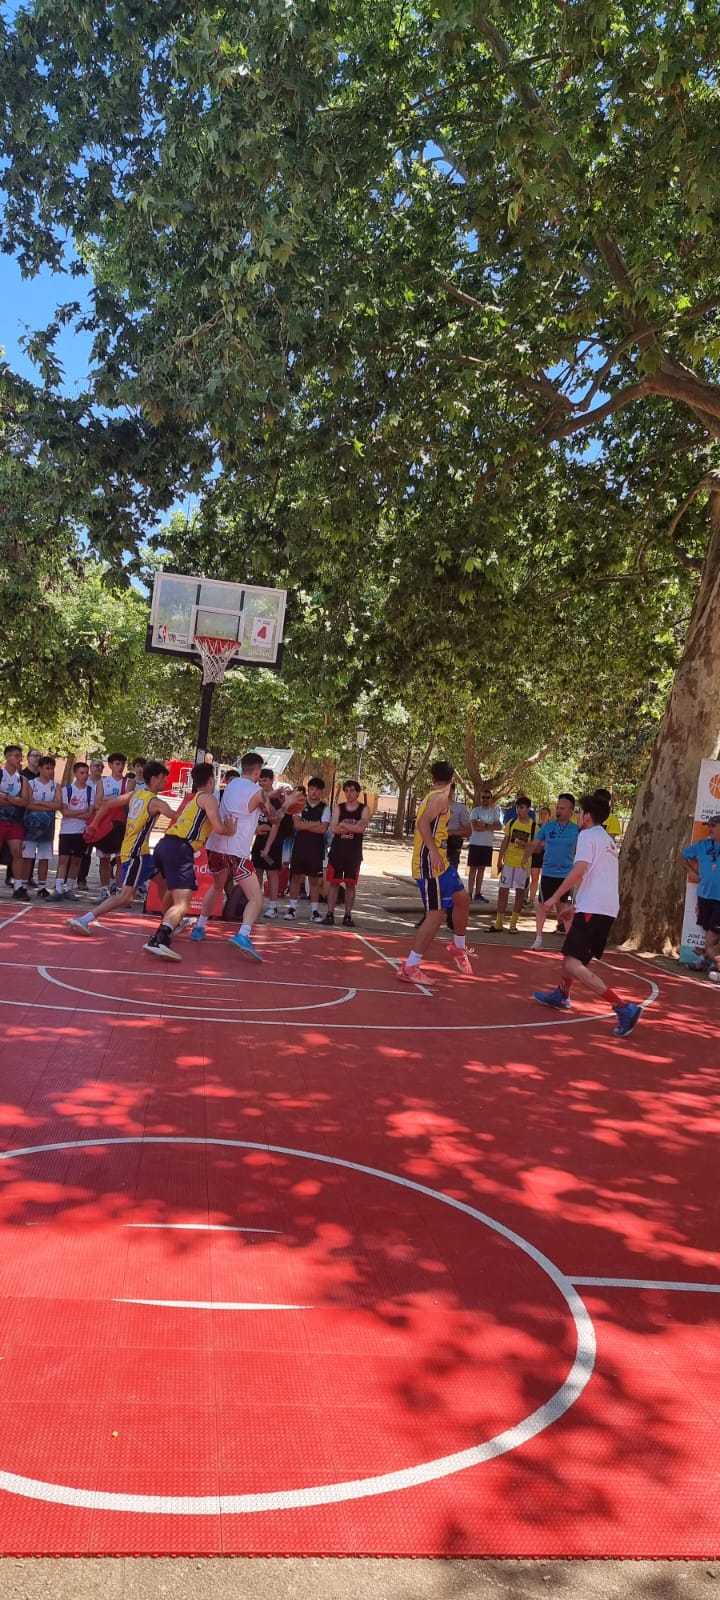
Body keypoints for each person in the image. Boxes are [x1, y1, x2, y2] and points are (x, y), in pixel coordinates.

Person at [533, 791, 641, 1038]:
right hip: (603, 908)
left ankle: (622, 1007)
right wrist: (577, 906)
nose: (578, 816)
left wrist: (553, 898)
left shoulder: (587, 836)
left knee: (573, 962)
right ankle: (562, 993)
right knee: (570, 954)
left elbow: (578, 872)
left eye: (580, 812)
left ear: (588, 816)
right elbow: (598, 877)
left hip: (595, 908)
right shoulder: (606, 840)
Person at [189, 752, 298, 961]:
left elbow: (248, 799)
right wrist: (288, 803)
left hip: (216, 847)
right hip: (236, 851)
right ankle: (243, 934)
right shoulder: (258, 792)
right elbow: (275, 818)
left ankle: (200, 927)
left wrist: (272, 794)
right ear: (258, 771)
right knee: (256, 898)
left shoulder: (231, 784)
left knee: (217, 887)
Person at [66, 762, 173, 936]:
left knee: (165, 884)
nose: (165, 782)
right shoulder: (156, 802)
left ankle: (170, 921)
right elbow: (177, 816)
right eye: (163, 778)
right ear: (154, 779)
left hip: (142, 853)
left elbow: (108, 804)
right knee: (126, 897)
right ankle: (84, 919)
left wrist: (95, 823)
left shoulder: (135, 794)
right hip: (136, 854)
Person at [143, 762, 233, 961]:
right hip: (180, 849)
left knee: (171, 891)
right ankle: (160, 938)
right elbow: (219, 828)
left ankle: (166, 924)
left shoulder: (193, 800)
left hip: (164, 845)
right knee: (183, 904)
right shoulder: (208, 798)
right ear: (212, 780)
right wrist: (231, 830)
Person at [397, 760, 472, 985]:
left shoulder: (434, 797)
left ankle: (458, 947)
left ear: (432, 779)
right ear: (453, 780)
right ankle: (410, 966)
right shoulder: (440, 798)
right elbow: (421, 823)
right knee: (436, 915)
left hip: (441, 863)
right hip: (430, 864)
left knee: (463, 900)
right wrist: (433, 851)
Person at [522, 793, 579, 947]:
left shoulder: (577, 830)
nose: (559, 810)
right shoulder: (548, 827)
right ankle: (538, 939)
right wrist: (526, 856)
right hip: (548, 873)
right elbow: (535, 843)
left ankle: (571, 943)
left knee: (566, 908)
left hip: (567, 876)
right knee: (543, 906)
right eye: (558, 807)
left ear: (571, 811)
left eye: (563, 808)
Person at [680, 814, 720, 983]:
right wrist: (690, 870)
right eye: (708, 825)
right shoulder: (702, 845)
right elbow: (682, 856)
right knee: (708, 930)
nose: (709, 829)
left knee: (712, 935)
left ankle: (708, 960)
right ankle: (708, 961)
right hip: (704, 895)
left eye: (713, 826)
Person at [285, 778, 331, 923]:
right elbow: (297, 826)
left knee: (314, 881)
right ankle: (292, 909)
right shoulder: (300, 805)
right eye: (311, 789)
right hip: (300, 847)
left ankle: (314, 911)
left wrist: (305, 824)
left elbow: (323, 829)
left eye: (316, 789)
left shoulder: (325, 808)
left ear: (321, 792)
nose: (313, 792)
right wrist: (315, 824)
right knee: (295, 878)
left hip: (316, 849)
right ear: (308, 789)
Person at [325, 780, 369, 927]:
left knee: (350, 884)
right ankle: (330, 913)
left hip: (354, 854)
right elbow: (334, 828)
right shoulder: (339, 808)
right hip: (337, 852)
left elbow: (361, 829)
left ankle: (348, 915)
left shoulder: (364, 809)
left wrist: (343, 824)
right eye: (346, 791)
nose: (349, 794)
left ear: (358, 793)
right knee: (333, 883)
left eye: (352, 790)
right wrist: (353, 826)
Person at [490, 796, 535, 933]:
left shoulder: (534, 826)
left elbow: (536, 847)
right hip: (509, 862)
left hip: (523, 865)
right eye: (517, 808)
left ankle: (513, 924)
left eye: (522, 808)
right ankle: (498, 923)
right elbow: (505, 841)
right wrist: (499, 860)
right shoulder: (512, 822)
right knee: (503, 891)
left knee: (520, 893)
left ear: (528, 809)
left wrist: (525, 844)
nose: (519, 810)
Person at [251, 767, 292, 919]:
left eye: (265, 780)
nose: (262, 783)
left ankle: (273, 906)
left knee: (272, 873)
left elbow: (276, 825)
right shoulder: (258, 798)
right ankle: (256, 902)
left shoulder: (276, 800)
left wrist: (268, 847)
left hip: (274, 842)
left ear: (271, 780)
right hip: (259, 840)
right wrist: (255, 829)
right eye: (260, 781)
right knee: (257, 871)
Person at [16, 755, 59, 899]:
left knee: (44, 858)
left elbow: (57, 804)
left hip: (47, 827)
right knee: (27, 857)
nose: (50, 771)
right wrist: (47, 806)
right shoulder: (31, 784)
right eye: (47, 768)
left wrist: (39, 803)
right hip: (31, 827)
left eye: (52, 768)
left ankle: (42, 887)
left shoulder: (55, 786)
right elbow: (28, 803)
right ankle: (23, 885)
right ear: (40, 768)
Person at [53, 761, 94, 901]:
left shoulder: (90, 791)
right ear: (75, 774)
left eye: (86, 773)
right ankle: (58, 889)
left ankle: (69, 888)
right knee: (63, 860)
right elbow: (65, 812)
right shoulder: (67, 790)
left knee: (77, 861)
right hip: (66, 830)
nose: (85, 775)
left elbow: (90, 814)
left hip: (81, 831)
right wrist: (82, 811)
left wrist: (74, 813)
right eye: (82, 773)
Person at [93, 753, 131, 900]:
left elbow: (128, 800)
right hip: (105, 824)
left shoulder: (129, 783)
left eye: (122, 764)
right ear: (110, 765)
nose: (120, 767)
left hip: (122, 825)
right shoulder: (103, 783)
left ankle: (119, 890)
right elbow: (97, 803)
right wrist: (117, 800)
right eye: (117, 764)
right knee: (104, 859)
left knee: (121, 859)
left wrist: (107, 800)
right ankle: (104, 890)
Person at [0, 745, 29, 894]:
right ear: (7, 756)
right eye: (16, 756)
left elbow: (25, 802)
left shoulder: (22, 779)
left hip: (15, 822)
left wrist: (6, 797)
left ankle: (18, 887)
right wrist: (15, 800)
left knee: (18, 853)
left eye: (20, 756)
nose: (20, 759)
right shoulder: (1, 774)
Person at [467, 787, 502, 903]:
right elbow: (475, 826)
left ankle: (478, 893)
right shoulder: (475, 811)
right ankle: (469, 893)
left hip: (487, 845)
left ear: (491, 799)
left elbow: (499, 826)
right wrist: (490, 826)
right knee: (473, 869)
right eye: (483, 797)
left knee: (481, 870)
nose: (485, 799)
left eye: (487, 797)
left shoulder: (494, 812)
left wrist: (485, 825)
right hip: (475, 843)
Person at [77, 757, 105, 891]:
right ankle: (69, 879)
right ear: (90, 767)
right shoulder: (83, 781)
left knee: (94, 852)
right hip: (83, 820)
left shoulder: (105, 783)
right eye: (96, 765)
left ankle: (84, 879)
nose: (99, 768)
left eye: (101, 766)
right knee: (80, 851)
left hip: (100, 821)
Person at [527, 804, 551, 909]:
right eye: (541, 813)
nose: (543, 815)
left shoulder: (553, 827)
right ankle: (531, 900)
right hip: (536, 854)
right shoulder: (535, 826)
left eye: (545, 813)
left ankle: (547, 902)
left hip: (548, 855)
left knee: (547, 879)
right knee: (534, 878)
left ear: (549, 816)